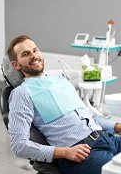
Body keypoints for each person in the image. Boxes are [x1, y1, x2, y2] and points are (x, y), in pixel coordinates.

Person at [7, 35, 121, 174]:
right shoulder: (22, 93)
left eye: (35, 50)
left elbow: (90, 116)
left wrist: (117, 126)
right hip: (82, 153)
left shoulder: (62, 81)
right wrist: (65, 152)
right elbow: (19, 145)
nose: (34, 55)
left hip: (107, 139)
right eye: (26, 54)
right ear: (16, 64)